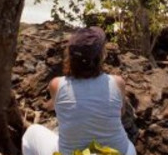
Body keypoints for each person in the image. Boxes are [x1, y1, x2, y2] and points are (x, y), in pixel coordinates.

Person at [22, 26, 136, 155]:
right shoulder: (117, 82)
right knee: (129, 145)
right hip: (116, 152)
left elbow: (63, 113)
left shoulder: (56, 85)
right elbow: (120, 113)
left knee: (32, 132)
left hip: (72, 152)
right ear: (101, 56)